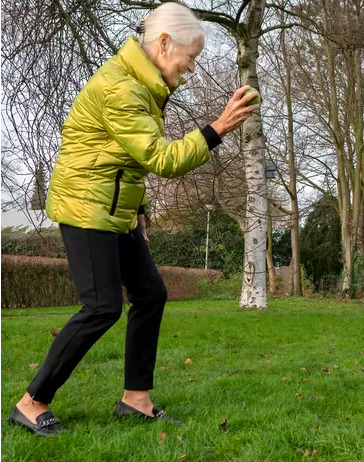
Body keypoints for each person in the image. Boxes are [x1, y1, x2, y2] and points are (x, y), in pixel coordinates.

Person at [8, 2, 259, 436]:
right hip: (87, 207)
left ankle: (135, 399)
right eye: (190, 57)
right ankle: (32, 402)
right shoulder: (120, 88)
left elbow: (126, 159)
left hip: (115, 208)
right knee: (102, 306)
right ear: (163, 44)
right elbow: (159, 158)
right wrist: (218, 127)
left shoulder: (143, 86)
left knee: (150, 293)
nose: (192, 69)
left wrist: (138, 211)